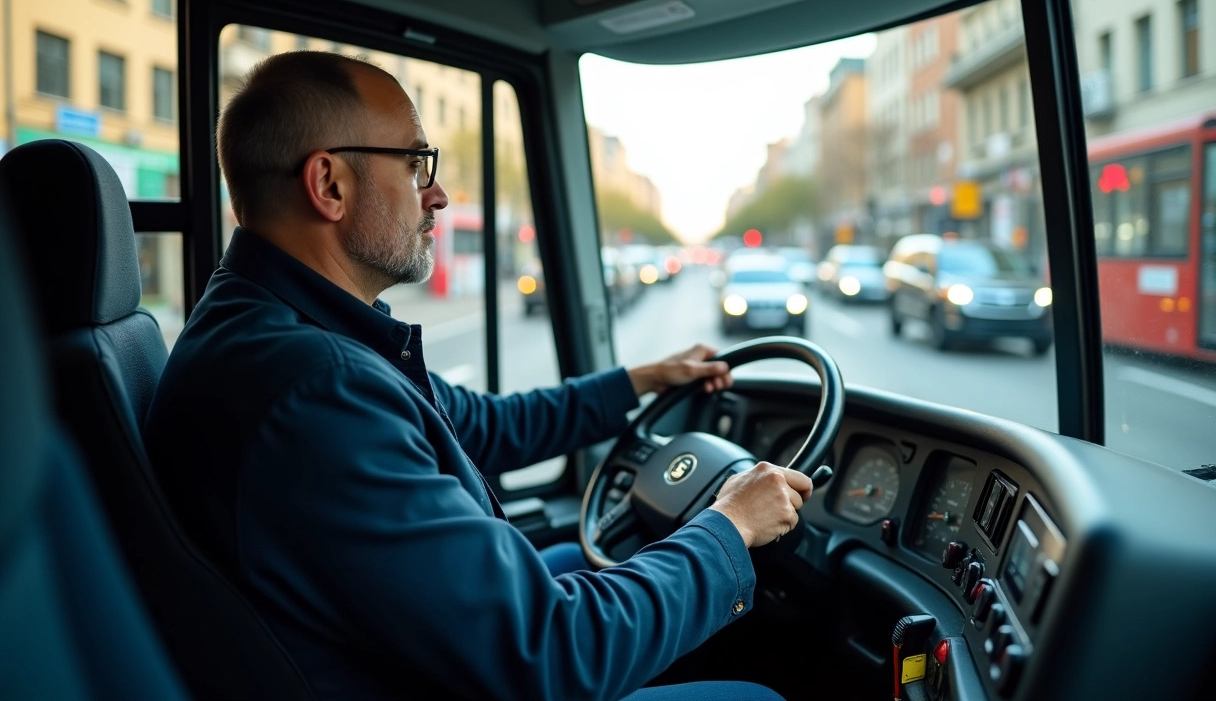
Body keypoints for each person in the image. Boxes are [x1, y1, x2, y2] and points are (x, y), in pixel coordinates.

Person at [143, 51, 814, 701]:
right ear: (329, 185)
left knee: (600, 565)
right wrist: (729, 525)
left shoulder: (275, 329)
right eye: (415, 163)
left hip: (394, 651)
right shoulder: (316, 389)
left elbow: (480, 425)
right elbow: (553, 655)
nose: (436, 193)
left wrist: (641, 380)